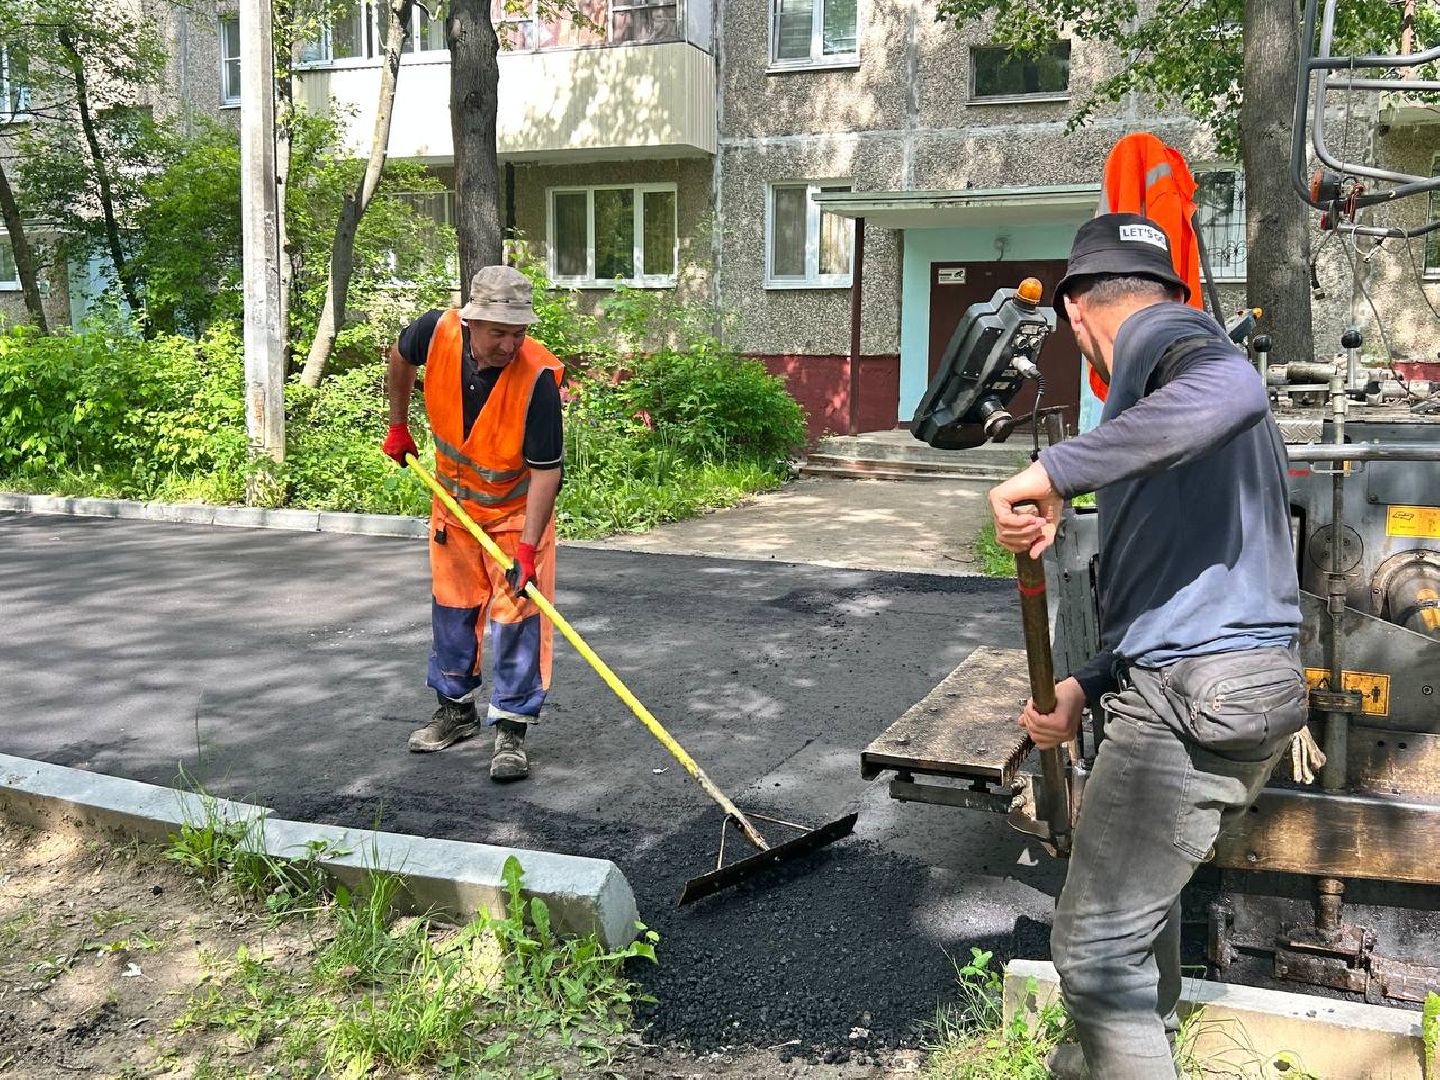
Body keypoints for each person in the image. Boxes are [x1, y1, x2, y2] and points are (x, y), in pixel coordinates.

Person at [987, 213, 1306, 1079]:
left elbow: (1237, 389)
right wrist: (1083, 687)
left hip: (1196, 690)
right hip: (1214, 679)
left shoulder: (1162, 341)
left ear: (1077, 315)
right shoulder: (1156, 413)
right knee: (1136, 922)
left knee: (1093, 955)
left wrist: (1052, 472)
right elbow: (1166, 593)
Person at [382, 265, 564, 783]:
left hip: (513, 523)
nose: (510, 345)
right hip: (453, 511)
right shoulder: (434, 332)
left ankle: (510, 729)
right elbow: (398, 358)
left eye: (519, 333)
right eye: (499, 332)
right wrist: (397, 423)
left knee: (516, 622)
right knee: (453, 611)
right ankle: (456, 712)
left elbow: (546, 474)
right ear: (470, 324)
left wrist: (527, 550)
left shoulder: (538, 380)